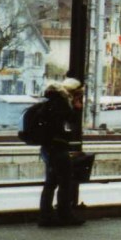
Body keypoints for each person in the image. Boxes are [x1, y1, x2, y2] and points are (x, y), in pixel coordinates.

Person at [33, 77, 85, 228]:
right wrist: (76, 106)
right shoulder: (61, 103)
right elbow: (71, 122)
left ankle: (46, 216)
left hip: (48, 148)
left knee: (51, 183)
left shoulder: (49, 102)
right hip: (57, 148)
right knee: (65, 182)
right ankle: (64, 215)